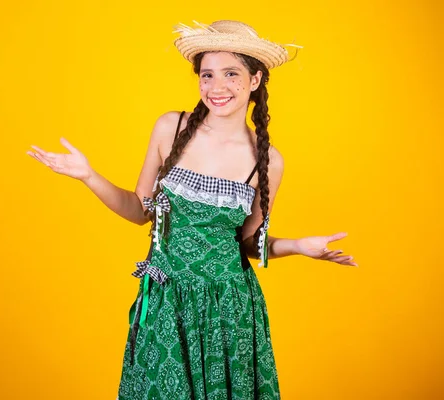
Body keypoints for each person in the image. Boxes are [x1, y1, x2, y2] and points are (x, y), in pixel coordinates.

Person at [27, 20, 356, 400]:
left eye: (231, 74)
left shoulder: (268, 161)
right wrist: (89, 175)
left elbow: (250, 243)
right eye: (207, 74)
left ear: (255, 80)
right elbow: (139, 210)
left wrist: (300, 246)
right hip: (168, 297)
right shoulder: (170, 128)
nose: (216, 87)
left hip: (228, 306)